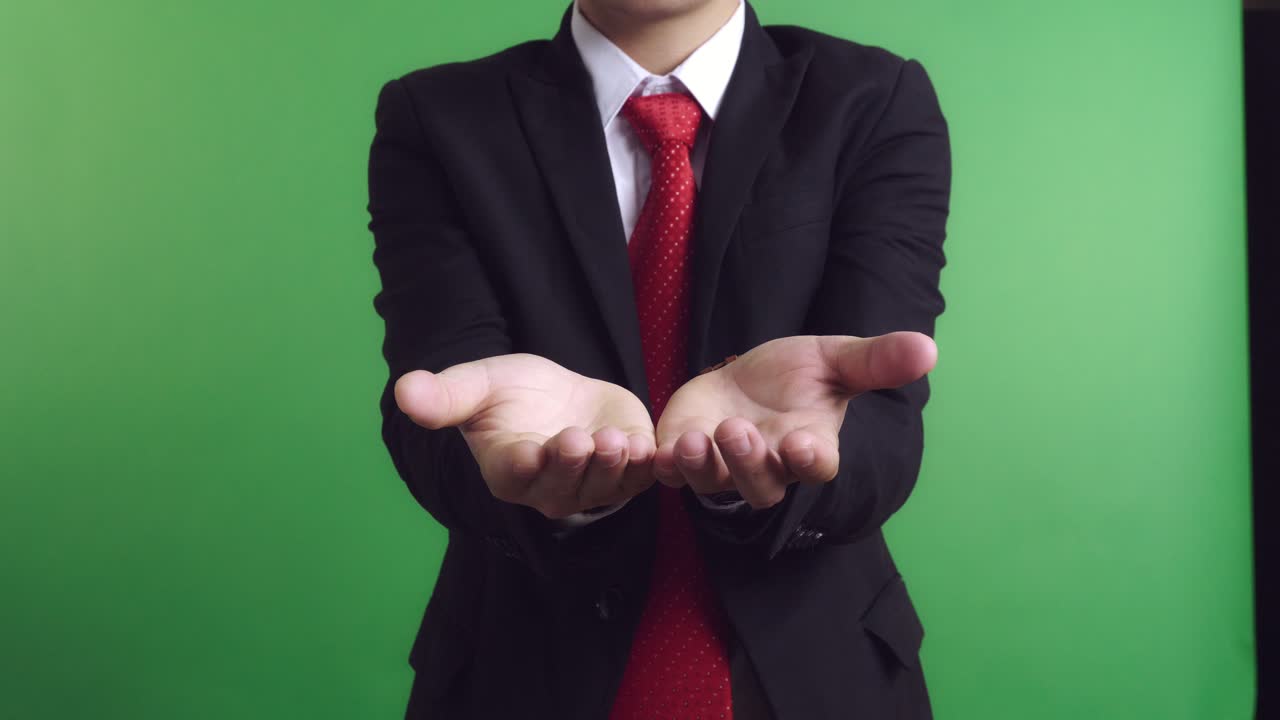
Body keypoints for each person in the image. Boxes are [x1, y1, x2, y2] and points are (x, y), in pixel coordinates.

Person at [365, 0, 950, 716]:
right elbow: (435, 403)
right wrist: (539, 479)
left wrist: (769, 465)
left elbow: (883, 426)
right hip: (518, 672)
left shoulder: (874, 101)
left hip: (819, 674)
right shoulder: (437, 118)